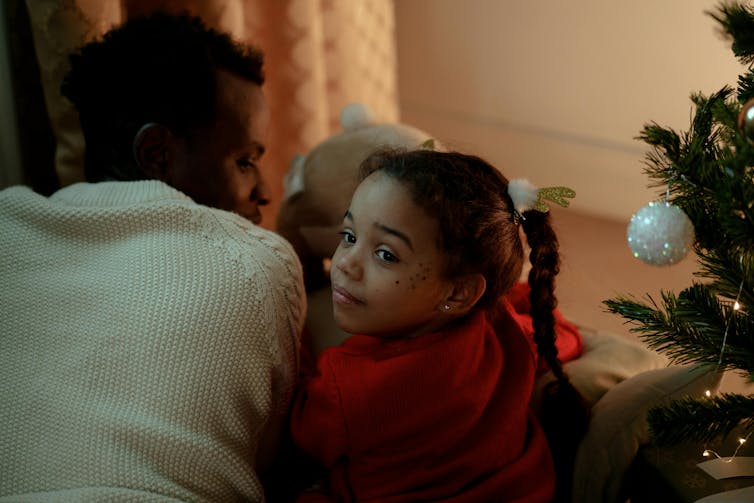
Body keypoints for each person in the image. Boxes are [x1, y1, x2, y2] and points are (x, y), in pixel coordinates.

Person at [0, 12, 305, 502]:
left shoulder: (7, 225)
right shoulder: (257, 259)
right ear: (157, 153)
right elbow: (270, 454)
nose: (264, 191)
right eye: (244, 161)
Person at [290, 148, 589, 502]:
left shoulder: (351, 387)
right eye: (349, 236)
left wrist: (294, 327)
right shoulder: (505, 329)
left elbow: (300, 437)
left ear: (460, 292)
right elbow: (563, 337)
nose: (345, 265)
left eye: (386, 254)